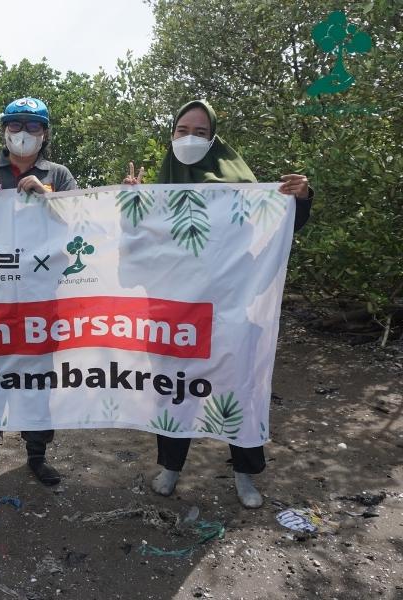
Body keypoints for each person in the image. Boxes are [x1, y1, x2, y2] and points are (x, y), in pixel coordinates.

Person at [125, 100, 313, 508]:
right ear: (170, 135)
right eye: (181, 130)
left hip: (233, 312)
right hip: (175, 314)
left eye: (200, 132)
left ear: (214, 139)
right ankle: (171, 468)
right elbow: (136, 248)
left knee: (239, 389)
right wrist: (131, 205)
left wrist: (300, 199)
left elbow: (276, 233)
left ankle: (245, 475)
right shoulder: (160, 189)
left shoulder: (242, 190)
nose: (189, 138)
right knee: (175, 391)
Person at [0, 97, 77, 487]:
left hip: (41, 298)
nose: (23, 133)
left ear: (44, 134)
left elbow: (76, 226)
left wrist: (47, 197)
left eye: (32, 126)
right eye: (15, 125)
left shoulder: (59, 176)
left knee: (37, 379)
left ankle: (37, 454)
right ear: (3, 130)